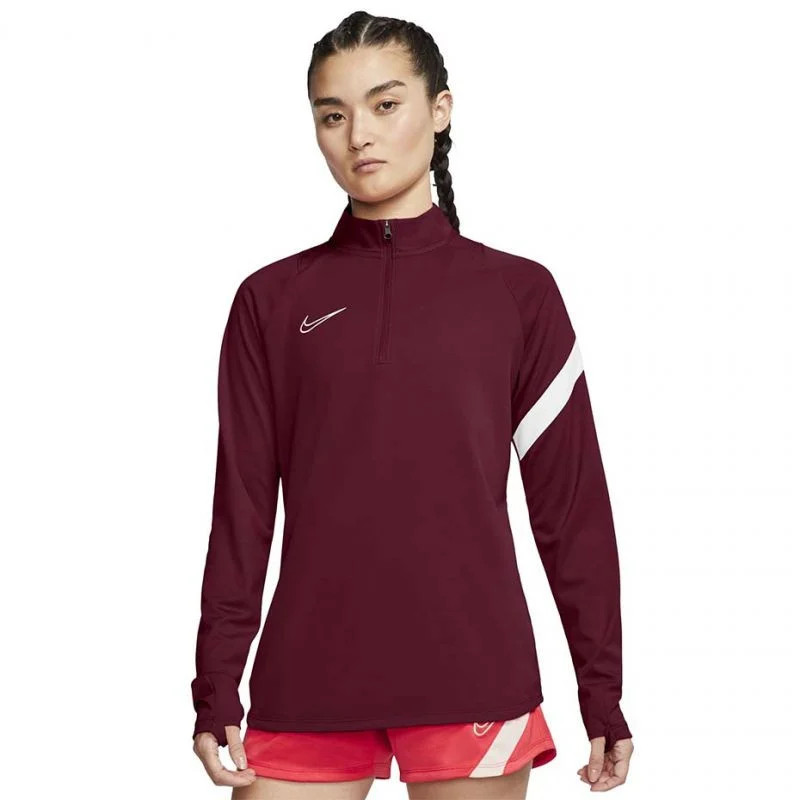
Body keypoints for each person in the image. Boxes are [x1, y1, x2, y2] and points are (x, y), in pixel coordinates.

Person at [190, 10, 634, 799]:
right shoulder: (271, 300)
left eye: (385, 104)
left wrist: (602, 690)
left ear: (440, 109)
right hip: (308, 675)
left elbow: (572, 512)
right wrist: (216, 682)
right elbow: (243, 510)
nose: (358, 135)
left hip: (474, 674)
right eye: (333, 115)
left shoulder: (519, 295)